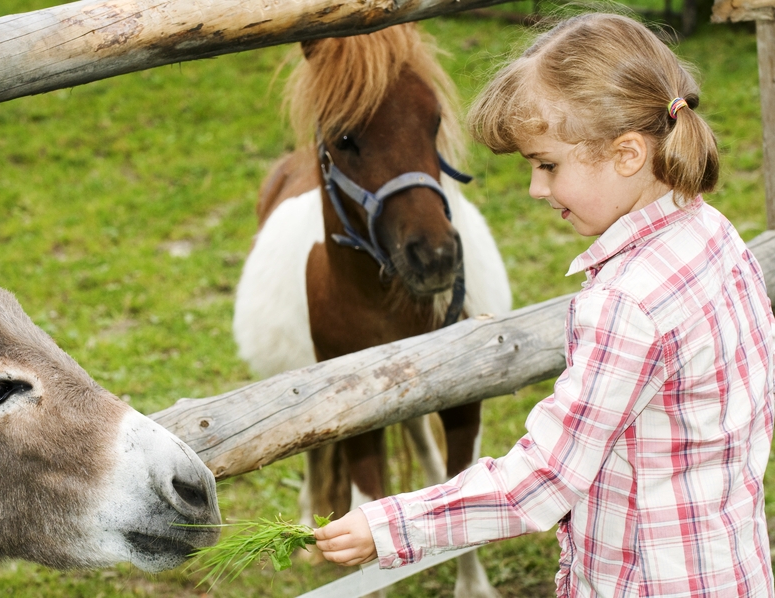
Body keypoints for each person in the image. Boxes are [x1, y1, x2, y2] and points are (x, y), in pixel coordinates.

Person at [312, 12, 775, 596]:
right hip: (732, 568)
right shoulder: (715, 237)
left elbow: (542, 480)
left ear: (628, 153)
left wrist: (389, 523)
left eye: (547, 165)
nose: (536, 189)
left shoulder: (625, 304)